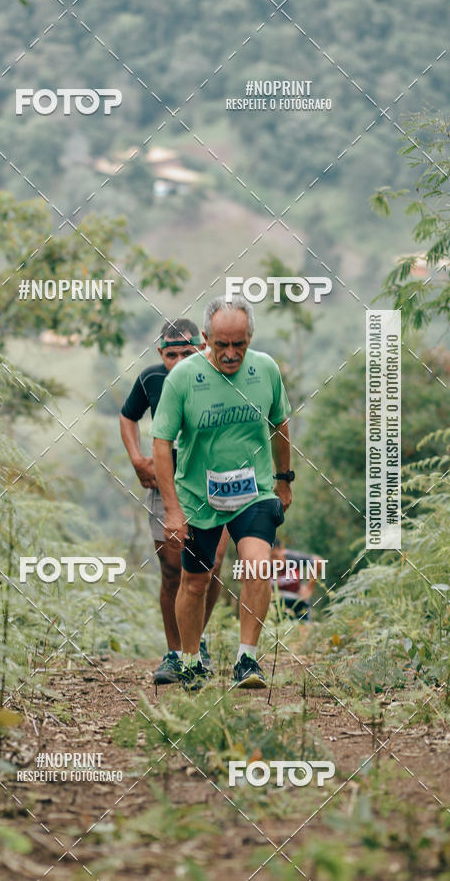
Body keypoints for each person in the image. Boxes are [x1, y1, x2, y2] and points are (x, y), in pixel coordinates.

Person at [151, 295, 293, 690]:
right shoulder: (182, 378)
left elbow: (279, 424)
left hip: (254, 491)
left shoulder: (265, 370)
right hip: (199, 496)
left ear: (250, 337)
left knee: (257, 564)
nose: (231, 354)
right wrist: (174, 510)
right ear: (206, 339)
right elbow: (161, 443)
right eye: (221, 345)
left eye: (239, 345)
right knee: (195, 582)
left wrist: (283, 479)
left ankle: (247, 660)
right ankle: (191, 660)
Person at [120, 318, 228, 685]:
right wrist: (137, 459)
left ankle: (195, 645)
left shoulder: (222, 375)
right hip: (166, 487)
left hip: (216, 485)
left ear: (203, 347)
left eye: (188, 352)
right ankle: (175, 651)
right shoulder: (152, 379)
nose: (180, 360)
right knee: (171, 571)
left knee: (210, 567)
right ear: (160, 354)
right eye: (171, 354)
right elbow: (127, 416)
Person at [270, 538, 326, 620]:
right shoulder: (264, 564)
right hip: (276, 603)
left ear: (282, 549)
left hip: (298, 600)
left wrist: (309, 589)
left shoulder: (293, 558)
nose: (273, 561)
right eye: (270, 558)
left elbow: (318, 561)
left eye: (275, 556)